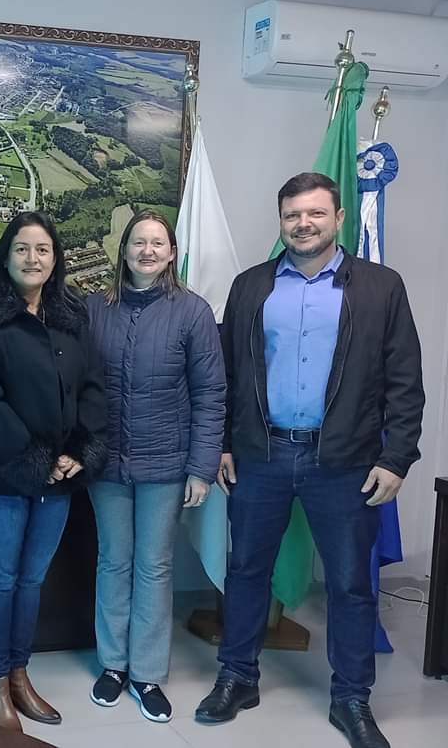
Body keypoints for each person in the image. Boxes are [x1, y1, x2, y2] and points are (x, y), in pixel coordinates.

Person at [195, 172, 424, 748]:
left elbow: (405, 380)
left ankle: (351, 699)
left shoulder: (379, 287)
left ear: (338, 218)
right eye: (293, 214)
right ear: (281, 221)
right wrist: (223, 441)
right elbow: (225, 374)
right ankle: (237, 677)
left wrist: (397, 457)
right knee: (245, 571)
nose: (304, 223)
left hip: (344, 461)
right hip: (261, 454)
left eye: (316, 213)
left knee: (349, 585)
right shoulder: (251, 286)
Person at [0, 211, 106, 732]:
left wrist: (79, 448)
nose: (33, 259)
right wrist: (33, 457)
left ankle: (20, 673)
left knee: (31, 579)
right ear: (6, 254)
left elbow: (92, 384)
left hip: (60, 474)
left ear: (55, 257)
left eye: (42, 249)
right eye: (22, 249)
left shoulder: (70, 311)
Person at [83, 209, 225, 723]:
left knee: (154, 566)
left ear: (170, 253)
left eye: (157, 243)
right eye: (138, 242)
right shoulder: (95, 308)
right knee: (113, 561)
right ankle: (113, 664)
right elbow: (79, 383)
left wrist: (202, 468)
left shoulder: (192, 312)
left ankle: (146, 673)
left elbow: (211, 395)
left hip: (168, 463)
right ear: (123, 251)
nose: (147, 250)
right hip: (107, 465)